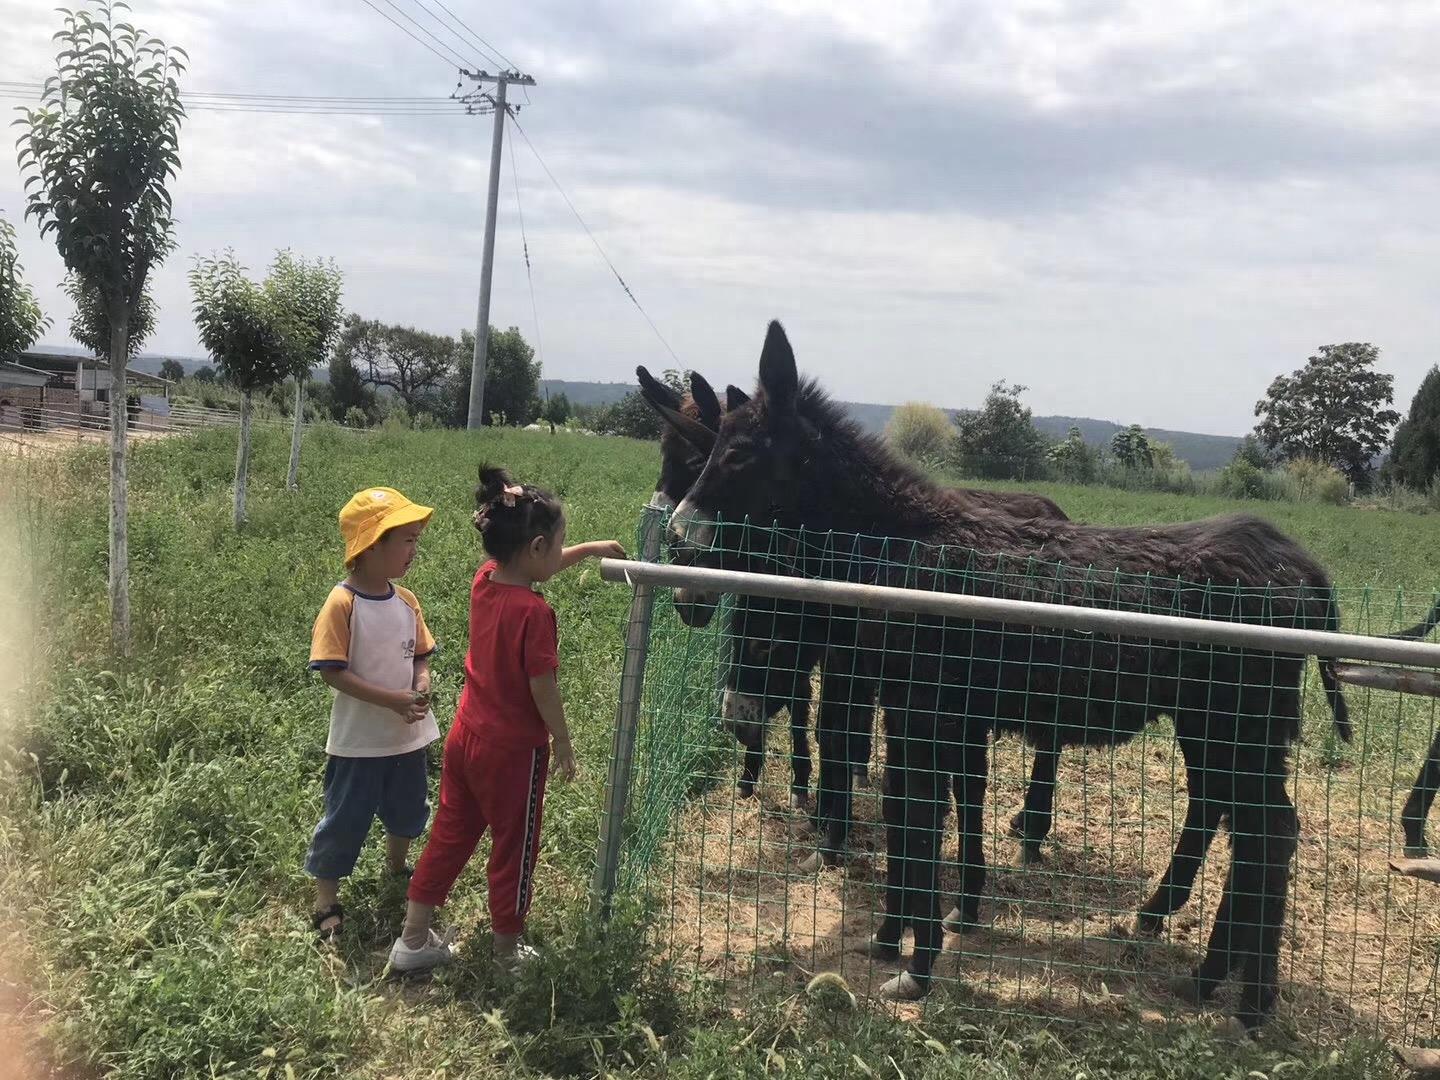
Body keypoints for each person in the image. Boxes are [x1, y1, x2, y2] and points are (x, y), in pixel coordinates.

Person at [388, 464, 625, 974]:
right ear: (538, 547)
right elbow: (543, 686)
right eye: (559, 545)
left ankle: (412, 938)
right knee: (515, 848)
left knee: (451, 831)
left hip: (466, 735)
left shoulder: (486, 579)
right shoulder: (535, 614)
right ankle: (505, 950)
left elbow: (536, 564)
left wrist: (588, 549)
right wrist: (561, 739)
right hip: (513, 753)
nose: (562, 553)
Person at [306, 487, 440, 941]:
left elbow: (421, 655)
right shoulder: (342, 604)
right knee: (345, 816)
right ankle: (326, 899)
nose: (413, 551)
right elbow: (332, 672)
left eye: (415, 541)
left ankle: (397, 867)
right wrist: (393, 700)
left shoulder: (407, 601)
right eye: (405, 540)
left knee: (407, 808)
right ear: (371, 544)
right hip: (359, 739)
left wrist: (420, 683)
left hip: (406, 735)